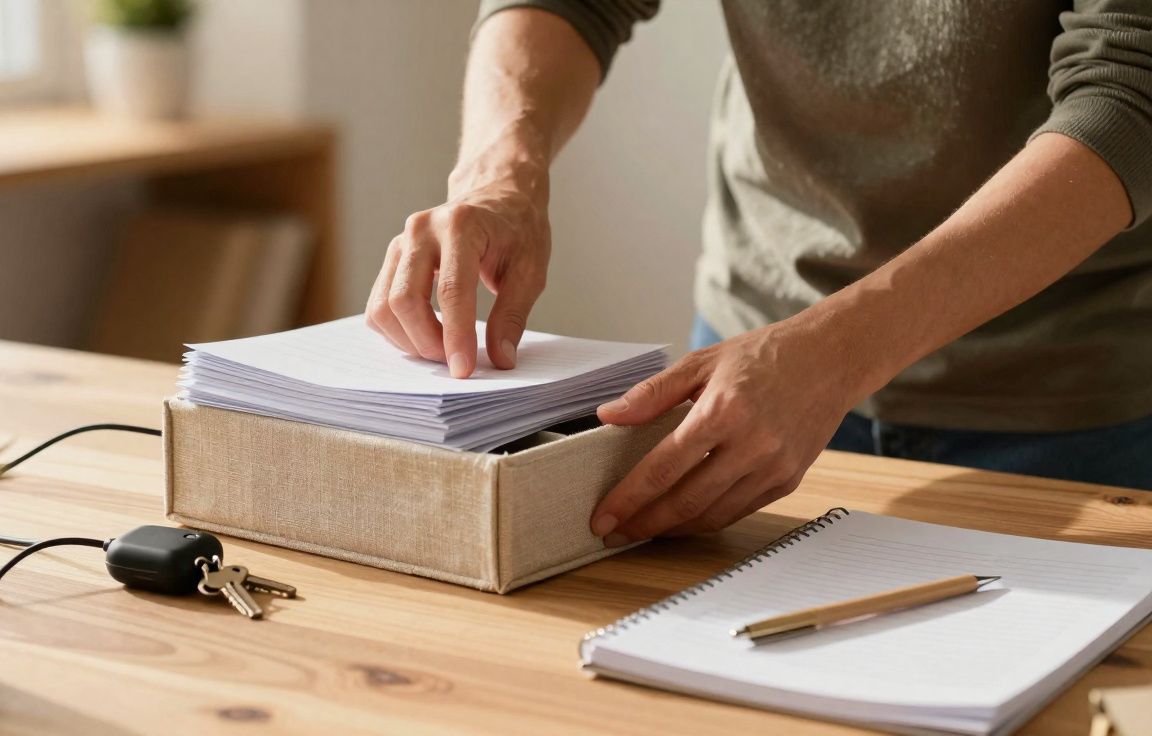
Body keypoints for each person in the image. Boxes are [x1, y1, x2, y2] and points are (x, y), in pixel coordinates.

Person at [364, 1, 1152, 546]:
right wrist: (500, 174)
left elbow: (1129, 93)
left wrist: (839, 350)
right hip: (753, 368)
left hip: (1070, 392)